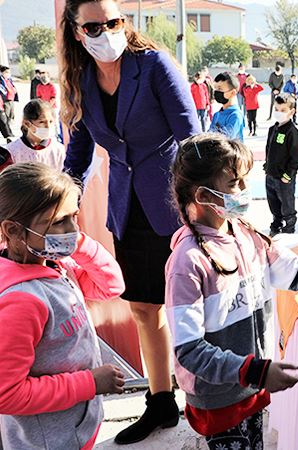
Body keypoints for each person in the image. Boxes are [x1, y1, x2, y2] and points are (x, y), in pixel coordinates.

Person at [60, 0, 201, 443]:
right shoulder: (80, 81)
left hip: (175, 205)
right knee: (143, 308)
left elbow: (190, 136)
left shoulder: (154, 66)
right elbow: (79, 155)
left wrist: (209, 203)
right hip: (127, 208)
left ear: (125, 23)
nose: (106, 32)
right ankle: (161, 404)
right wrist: (60, 202)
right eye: (95, 26)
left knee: (192, 310)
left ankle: (210, 397)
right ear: (78, 31)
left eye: (114, 22)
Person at [166, 133, 298, 450]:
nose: (244, 191)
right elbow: (189, 351)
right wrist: (255, 370)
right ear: (202, 195)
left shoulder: (246, 234)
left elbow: (297, 274)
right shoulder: (187, 264)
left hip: (251, 387)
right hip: (220, 398)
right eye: (234, 183)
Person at [0, 162, 126, 450]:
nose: (72, 229)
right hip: (50, 440)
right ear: (13, 230)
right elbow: (7, 394)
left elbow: (111, 285)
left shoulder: (55, 263)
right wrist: (90, 383)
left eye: (74, 217)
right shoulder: (21, 300)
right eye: (59, 222)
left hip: (75, 426)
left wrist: (76, 243)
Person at [265, 95, 298, 235]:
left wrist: (288, 175)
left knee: (287, 205)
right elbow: (269, 149)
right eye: (276, 109)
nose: (279, 112)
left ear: (291, 111)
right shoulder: (272, 129)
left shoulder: (292, 132)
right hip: (271, 175)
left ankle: (288, 228)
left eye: (283, 109)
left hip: (283, 178)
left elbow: (296, 157)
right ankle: (276, 225)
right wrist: (267, 166)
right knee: (273, 204)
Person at [7, 100, 65, 170]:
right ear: (27, 124)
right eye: (42, 122)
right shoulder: (12, 151)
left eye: (51, 121)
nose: (48, 126)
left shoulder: (59, 150)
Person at [209, 72, 245, 141]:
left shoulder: (235, 115)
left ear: (232, 93)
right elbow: (209, 135)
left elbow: (225, 138)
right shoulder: (217, 115)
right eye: (215, 89)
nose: (216, 92)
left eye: (220, 89)